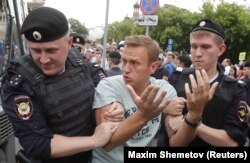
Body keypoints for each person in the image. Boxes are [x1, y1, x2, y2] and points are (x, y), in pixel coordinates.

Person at [1, 7, 120, 163]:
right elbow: (37, 143)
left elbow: (96, 75)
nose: (43, 59)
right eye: (35, 50)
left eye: (51, 50)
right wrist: (95, 140)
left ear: (69, 43)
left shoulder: (75, 59)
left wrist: (112, 101)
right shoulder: (19, 83)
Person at [91, 35, 217, 163]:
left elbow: (176, 143)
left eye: (134, 63)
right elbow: (107, 143)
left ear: (153, 67)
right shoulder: (108, 85)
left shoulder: (164, 90)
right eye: (124, 61)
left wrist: (194, 114)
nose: (126, 69)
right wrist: (144, 115)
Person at [163, 19, 248, 146]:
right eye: (194, 46)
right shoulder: (177, 77)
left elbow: (232, 141)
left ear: (220, 49)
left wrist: (190, 122)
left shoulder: (236, 88)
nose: (197, 54)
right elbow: (170, 136)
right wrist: (165, 109)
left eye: (206, 47)